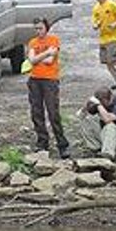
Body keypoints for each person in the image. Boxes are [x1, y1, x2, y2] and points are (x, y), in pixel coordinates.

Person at [27, 17, 70, 159]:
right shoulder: (32, 42)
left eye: (40, 28)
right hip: (34, 80)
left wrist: (39, 58)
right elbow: (32, 60)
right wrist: (45, 54)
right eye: (36, 29)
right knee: (36, 112)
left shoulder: (53, 40)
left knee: (53, 113)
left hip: (50, 80)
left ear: (46, 27)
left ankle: (62, 144)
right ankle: (42, 142)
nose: (38, 31)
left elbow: (50, 61)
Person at [76, 86, 116, 161]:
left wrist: (99, 105)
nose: (102, 105)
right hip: (106, 138)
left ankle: (107, 154)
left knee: (110, 126)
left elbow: (108, 119)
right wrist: (87, 104)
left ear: (110, 98)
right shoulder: (100, 103)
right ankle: (94, 149)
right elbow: (80, 115)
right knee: (87, 119)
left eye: (103, 102)